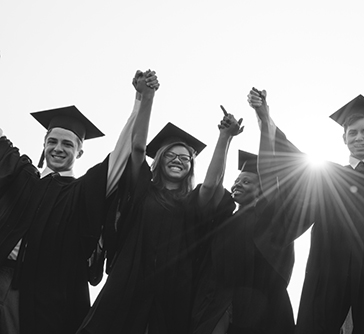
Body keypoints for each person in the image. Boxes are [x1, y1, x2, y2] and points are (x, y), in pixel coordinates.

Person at [254, 87, 364, 333]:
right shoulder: (328, 175)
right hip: (330, 264)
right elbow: (288, 151)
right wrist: (264, 115)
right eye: (353, 132)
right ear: (344, 138)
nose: (359, 138)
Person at [0, 70, 156, 334]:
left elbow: (121, 155)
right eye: (52, 141)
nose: (58, 148)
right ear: (44, 144)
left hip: (47, 298)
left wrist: (140, 100)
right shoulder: (25, 176)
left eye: (67, 144)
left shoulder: (83, 190)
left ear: (80, 151)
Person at [78, 113, 239, 333]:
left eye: (184, 158)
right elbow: (137, 151)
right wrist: (146, 97)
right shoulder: (143, 192)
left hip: (173, 294)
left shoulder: (192, 203)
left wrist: (225, 138)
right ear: (159, 159)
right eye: (170, 155)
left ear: (191, 166)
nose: (177, 160)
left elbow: (211, 186)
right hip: (129, 283)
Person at [191, 91, 299, 334]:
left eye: (247, 181)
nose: (237, 184)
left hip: (265, 308)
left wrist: (263, 118)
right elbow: (210, 186)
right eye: (237, 180)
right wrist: (224, 138)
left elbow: (269, 171)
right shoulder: (225, 218)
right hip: (220, 305)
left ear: (262, 189)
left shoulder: (270, 215)